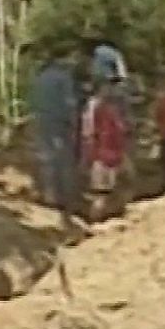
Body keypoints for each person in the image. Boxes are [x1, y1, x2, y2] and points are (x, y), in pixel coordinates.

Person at [30, 46, 83, 213]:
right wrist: (74, 122)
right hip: (61, 123)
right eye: (72, 57)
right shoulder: (64, 77)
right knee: (63, 160)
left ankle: (48, 194)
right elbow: (70, 103)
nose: (74, 61)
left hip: (43, 120)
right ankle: (64, 199)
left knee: (47, 157)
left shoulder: (41, 76)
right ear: (63, 58)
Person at [82, 80, 130, 214]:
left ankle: (100, 213)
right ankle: (102, 213)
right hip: (105, 151)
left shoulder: (99, 108)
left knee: (102, 188)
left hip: (103, 151)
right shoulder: (103, 109)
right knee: (104, 188)